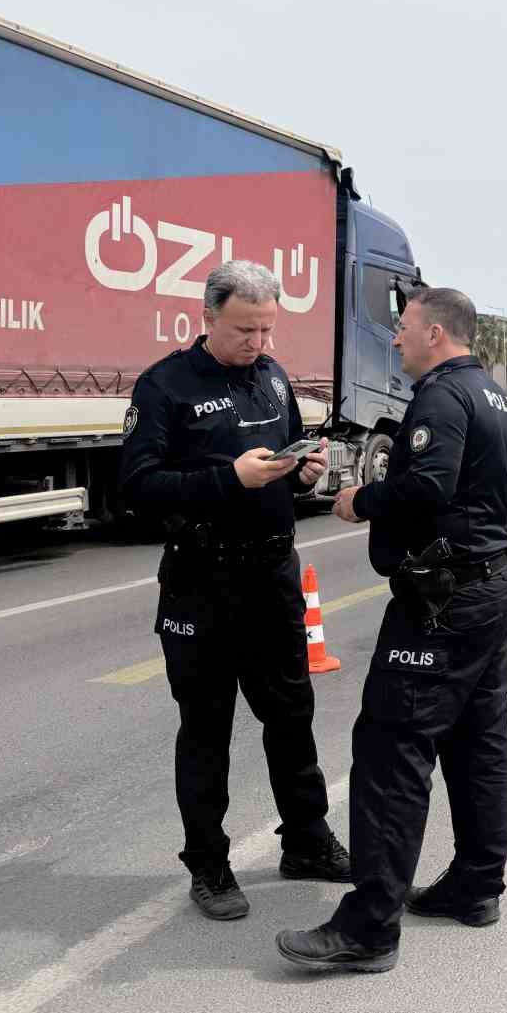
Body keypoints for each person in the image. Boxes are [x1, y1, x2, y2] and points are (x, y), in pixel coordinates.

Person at [276, 286, 507, 974]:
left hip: (440, 604)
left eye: (404, 328)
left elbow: (427, 483)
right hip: (485, 596)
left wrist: (359, 499)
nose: (395, 340)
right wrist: (496, 584)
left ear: (436, 334)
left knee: (392, 751)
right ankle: (476, 887)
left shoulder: (441, 396)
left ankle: (370, 927)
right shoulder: (503, 401)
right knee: (478, 742)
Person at [119, 260, 350, 920]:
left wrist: (302, 474)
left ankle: (306, 839)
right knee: (206, 729)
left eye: (269, 328)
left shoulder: (273, 378)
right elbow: (135, 488)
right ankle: (209, 864)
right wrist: (230, 479)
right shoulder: (165, 386)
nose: (259, 342)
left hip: (273, 576)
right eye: (246, 329)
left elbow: (284, 462)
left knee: (291, 717)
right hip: (203, 584)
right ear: (207, 317)